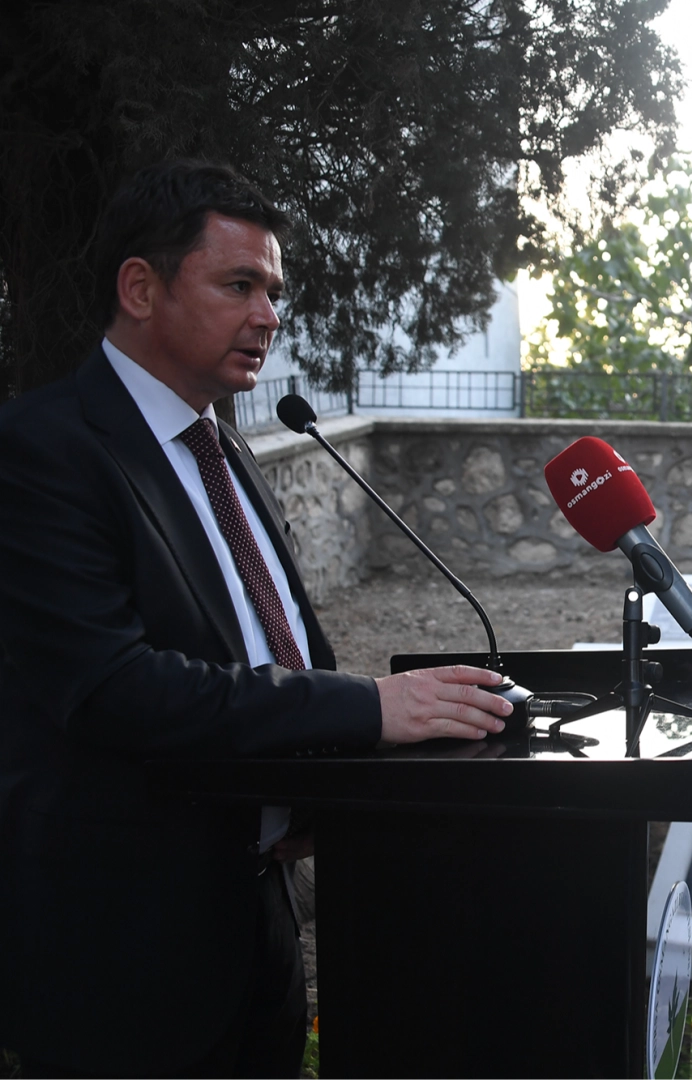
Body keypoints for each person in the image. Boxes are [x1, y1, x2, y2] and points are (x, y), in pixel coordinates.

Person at [0, 161, 515, 1079]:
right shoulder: (44, 450)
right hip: (124, 959)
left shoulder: (226, 446)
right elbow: (114, 687)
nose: (269, 315)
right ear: (140, 289)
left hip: (258, 927)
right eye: (239, 285)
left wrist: (320, 789)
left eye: (274, 291)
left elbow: (273, 643)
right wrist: (366, 708)